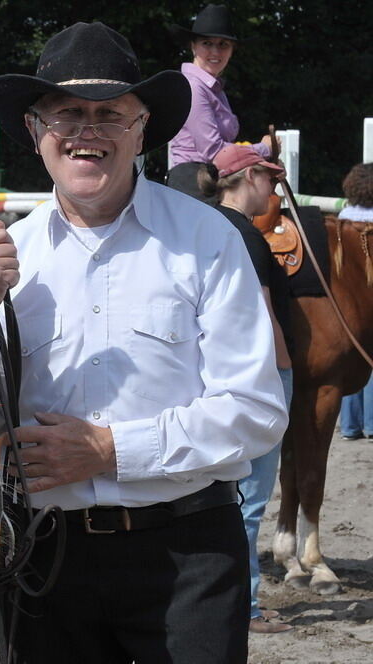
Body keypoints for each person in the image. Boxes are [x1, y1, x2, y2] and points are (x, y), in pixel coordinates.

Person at [0, 21, 288, 663]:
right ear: (36, 131)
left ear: (142, 130)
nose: (86, 130)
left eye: (110, 114)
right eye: (67, 112)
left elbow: (257, 411)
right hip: (43, 560)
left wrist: (109, 451)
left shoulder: (210, 239)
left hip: (187, 556)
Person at [204, 144, 294, 633]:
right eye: (270, 180)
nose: (275, 190)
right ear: (249, 177)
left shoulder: (212, 227)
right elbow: (264, 318)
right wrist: (285, 373)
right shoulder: (251, 239)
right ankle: (248, 605)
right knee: (253, 499)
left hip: (222, 379)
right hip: (260, 377)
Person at [166, 4, 274, 204]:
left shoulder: (213, 89)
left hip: (210, 179)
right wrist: (265, 149)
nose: (215, 51)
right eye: (207, 43)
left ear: (232, 50)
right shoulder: (194, 87)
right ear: (193, 46)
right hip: (195, 185)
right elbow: (214, 152)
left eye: (223, 44)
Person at [337, 163, 373, 438]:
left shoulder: (343, 216)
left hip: (344, 296)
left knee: (347, 361)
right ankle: (371, 424)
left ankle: (349, 425)